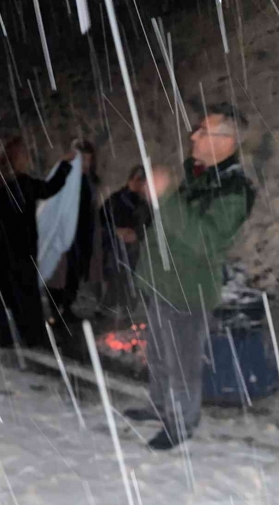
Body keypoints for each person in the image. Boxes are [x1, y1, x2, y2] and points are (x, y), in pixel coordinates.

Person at [125, 103, 255, 450]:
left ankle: (181, 421)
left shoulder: (234, 190)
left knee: (182, 361)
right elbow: (173, 224)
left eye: (202, 130)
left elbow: (203, 240)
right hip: (162, 281)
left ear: (226, 142)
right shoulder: (199, 176)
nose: (193, 135)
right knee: (158, 354)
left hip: (187, 289)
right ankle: (158, 404)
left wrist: (165, 195)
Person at [0, 137, 75, 349]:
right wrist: (65, 164)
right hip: (18, 248)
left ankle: (2, 332)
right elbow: (49, 188)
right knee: (24, 293)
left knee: (2, 291)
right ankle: (30, 336)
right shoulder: (21, 184)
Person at [48, 139, 99, 321]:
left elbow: (89, 209)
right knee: (60, 274)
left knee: (75, 274)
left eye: (88, 160)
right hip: (63, 234)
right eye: (82, 160)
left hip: (81, 233)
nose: (85, 164)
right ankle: (56, 313)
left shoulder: (89, 181)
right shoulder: (65, 178)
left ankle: (67, 309)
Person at [99, 164, 153, 316]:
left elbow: (153, 227)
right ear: (130, 180)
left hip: (139, 251)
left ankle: (128, 306)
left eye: (142, 180)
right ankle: (113, 305)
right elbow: (99, 224)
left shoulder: (147, 205)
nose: (139, 183)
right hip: (114, 248)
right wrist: (117, 232)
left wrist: (138, 235)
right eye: (136, 179)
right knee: (118, 269)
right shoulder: (115, 201)